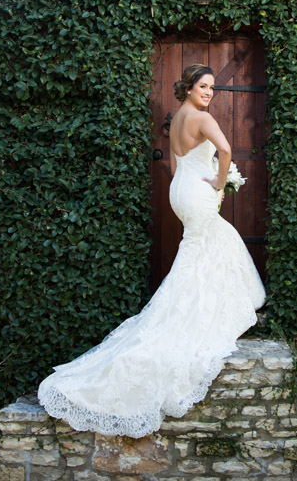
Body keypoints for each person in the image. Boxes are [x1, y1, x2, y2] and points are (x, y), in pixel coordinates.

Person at [37, 64, 266, 438]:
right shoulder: (202, 118)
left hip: (182, 189)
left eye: (212, 87)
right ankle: (181, 315)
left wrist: (188, 184)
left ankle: (206, 302)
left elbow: (177, 162)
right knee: (196, 251)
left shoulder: (177, 119)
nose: (209, 93)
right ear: (189, 88)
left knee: (210, 242)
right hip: (198, 190)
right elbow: (224, 150)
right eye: (203, 86)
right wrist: (220, 183)